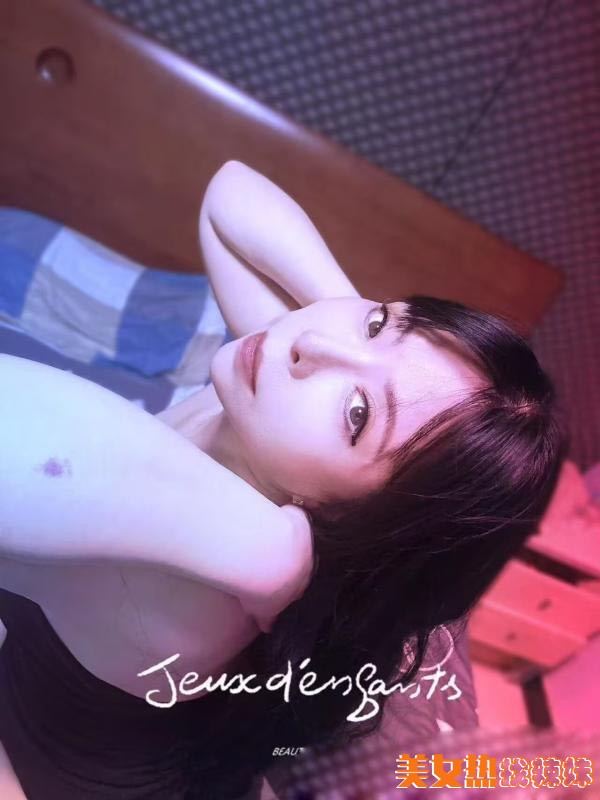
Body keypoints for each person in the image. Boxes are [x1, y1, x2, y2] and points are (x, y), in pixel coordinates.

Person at [0, 161, 566, 799]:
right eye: (379, 322)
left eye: (359, 415)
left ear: (346, 515)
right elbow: (229, 197)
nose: (312, 347)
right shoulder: (274, 403)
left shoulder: (200, 589)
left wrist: (265, 551)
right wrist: (353, 324)